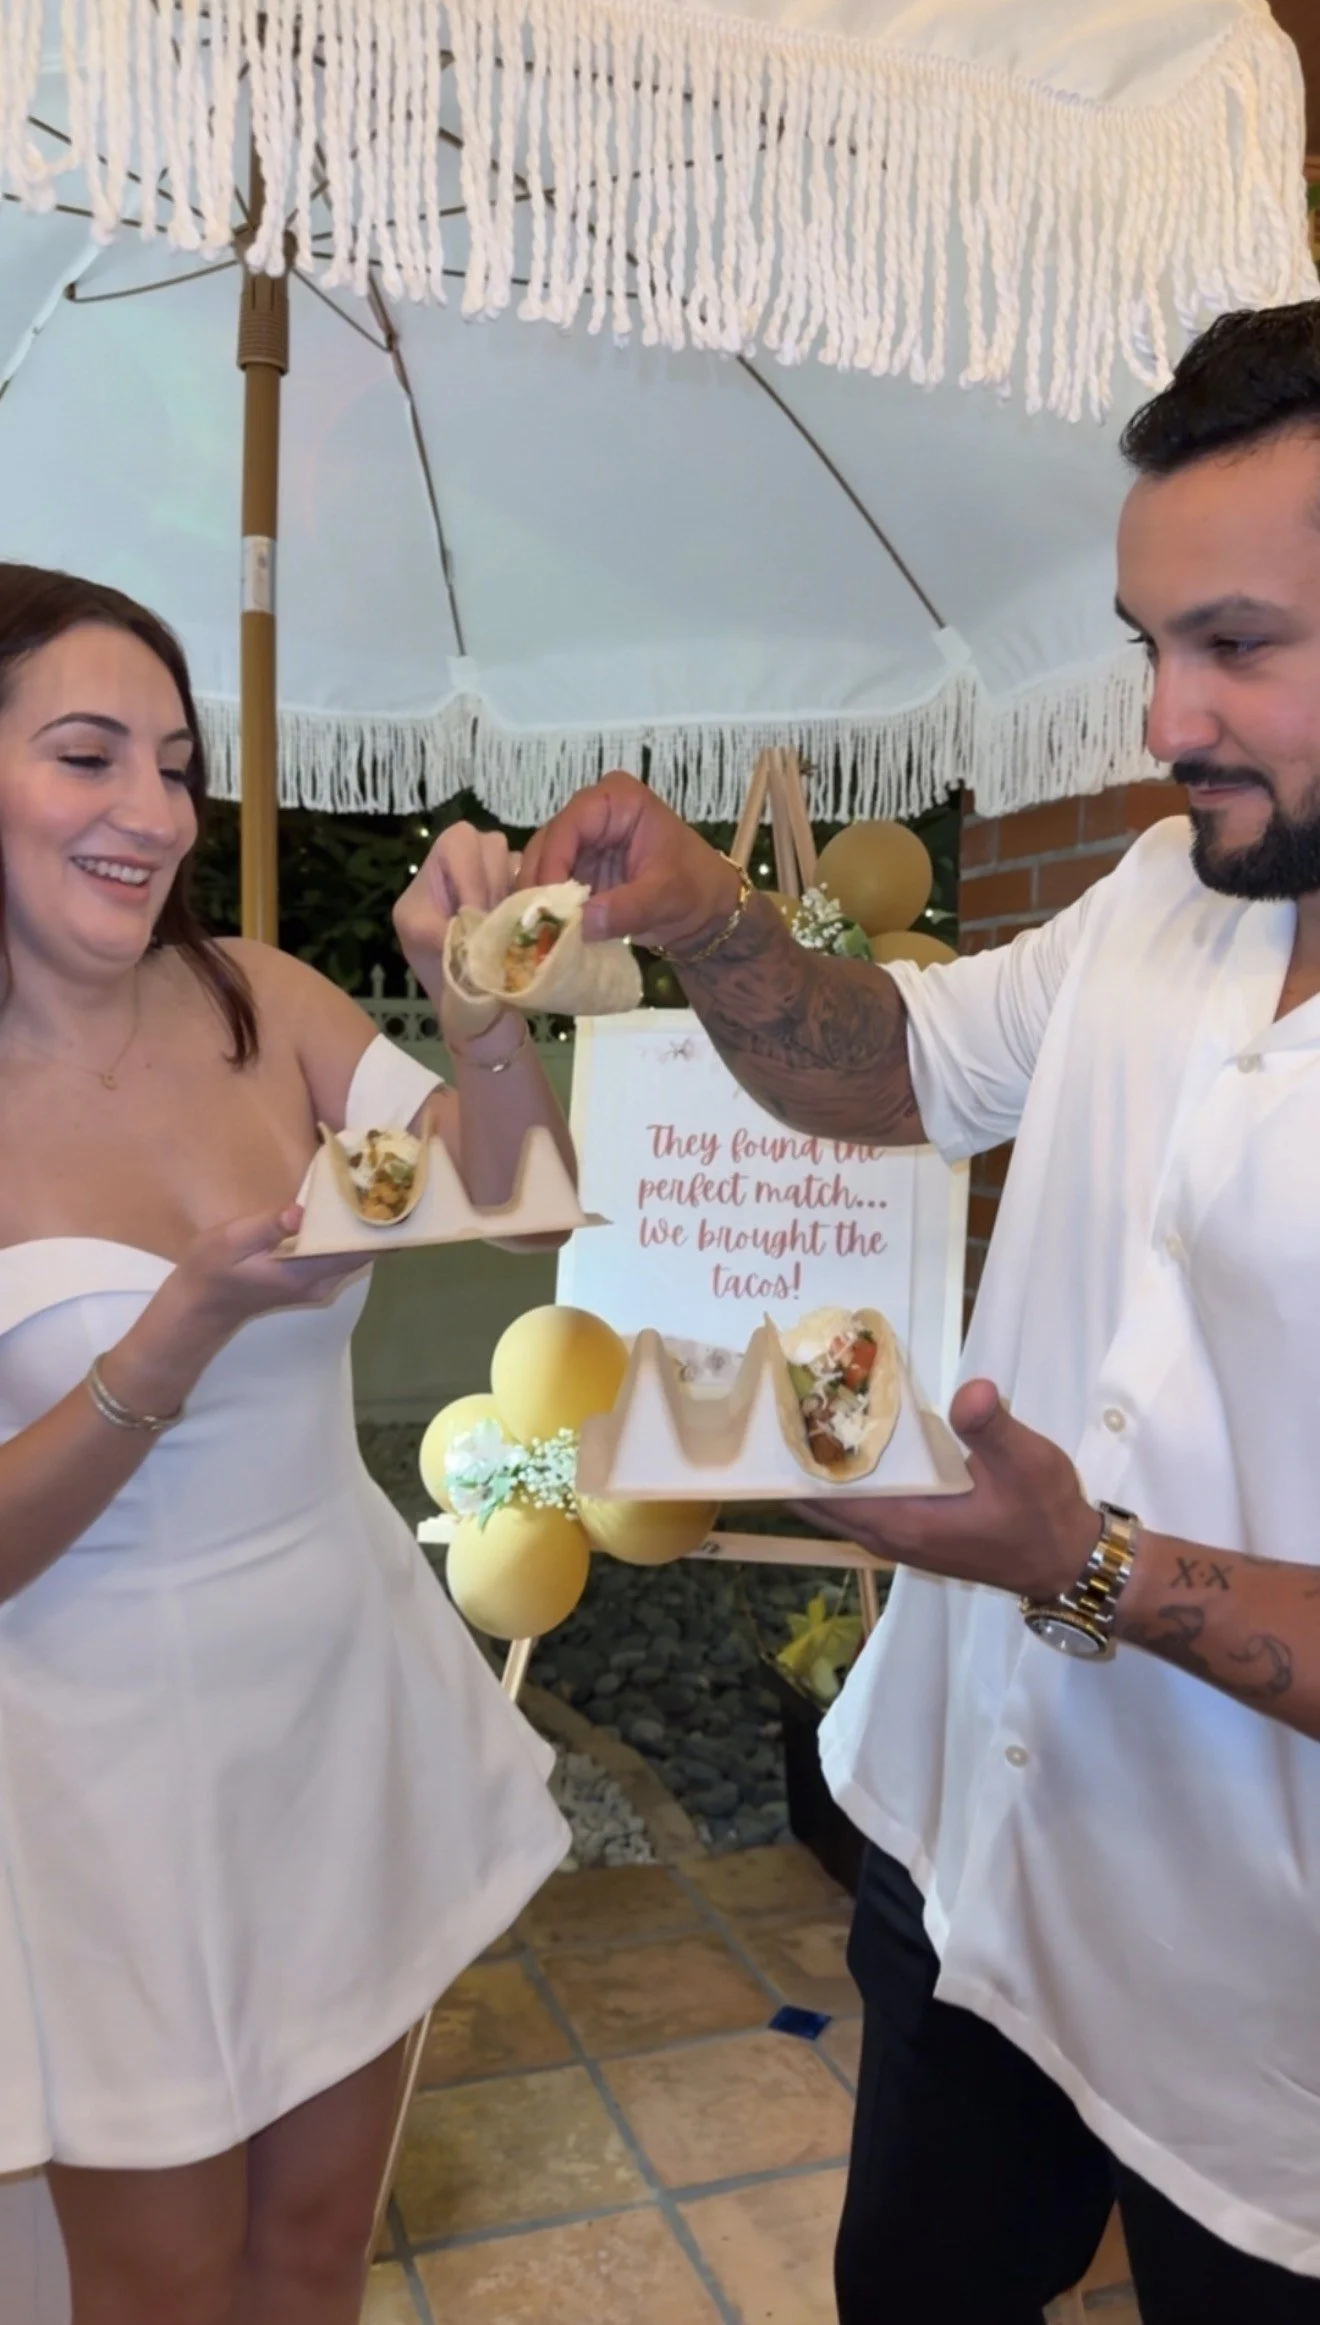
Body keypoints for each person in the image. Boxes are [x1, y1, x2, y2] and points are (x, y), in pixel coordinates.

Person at [520, 298, 1320, 2324]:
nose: (1168, 720)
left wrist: (1085, 1564)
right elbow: (888, 1069)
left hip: (1262, 2006)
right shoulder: (1159, 897)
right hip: (963, 1840)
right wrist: (711, 917)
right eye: (1151, 647)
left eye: (1239, 644)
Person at [0, 563, 574, 2325]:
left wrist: (476, 1000)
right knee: (158, 2295)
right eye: (88, 757)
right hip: (104, 1779)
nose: (153, 812)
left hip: (337, 1706)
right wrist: (175, 1331)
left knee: (315, 2258)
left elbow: (524, 1203)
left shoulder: (259, 996)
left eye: (177, 766)